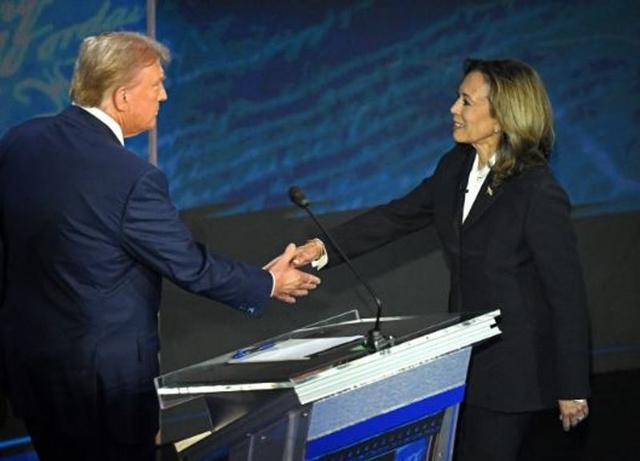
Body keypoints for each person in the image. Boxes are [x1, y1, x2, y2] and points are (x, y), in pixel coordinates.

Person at [0, 31, 320, 461]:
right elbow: (189, 265)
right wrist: (266, 282)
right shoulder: (130, 178)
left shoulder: (20, 142)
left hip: (33, 370)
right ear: (121, 96)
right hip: (105, 390)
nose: (164, 96)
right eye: (155, 86)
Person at [288, 59, 591, 460]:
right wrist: (322, 248)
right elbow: (397, 216)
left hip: (514, 371)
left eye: (466, 101)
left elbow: (566, 293)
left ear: (501, 116)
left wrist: (572, 386)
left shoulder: (536, 191)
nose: (453, 108)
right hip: (463, 364)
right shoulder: (456, 166)